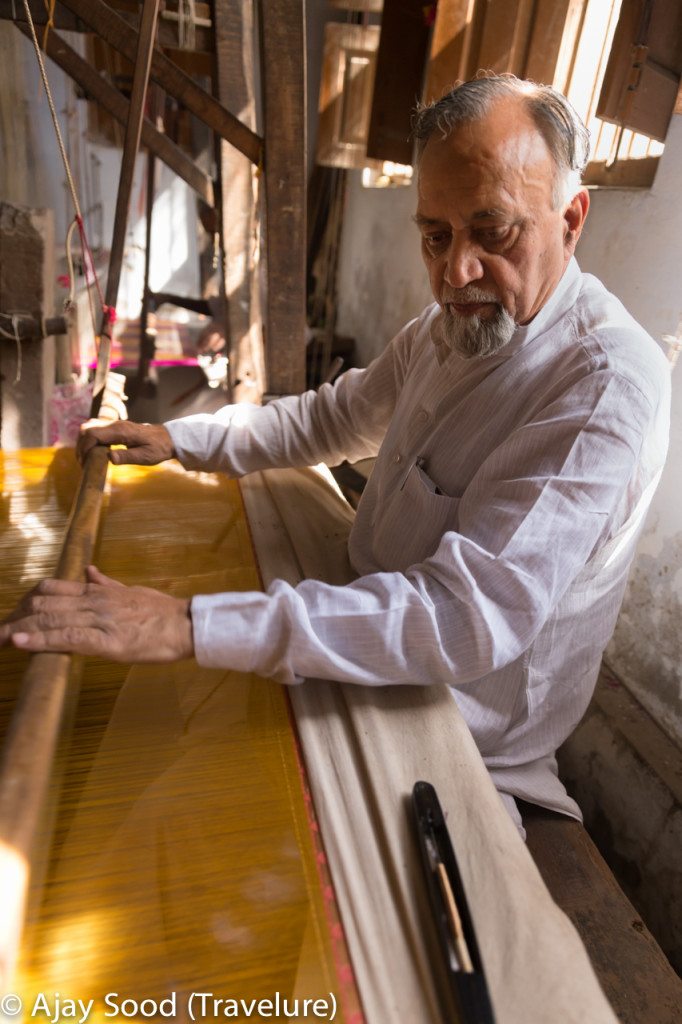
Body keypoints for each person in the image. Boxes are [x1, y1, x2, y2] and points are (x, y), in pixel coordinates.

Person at [1, 75, 670, 828]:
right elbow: (333, 419)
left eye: (494, 231)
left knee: (169, 808)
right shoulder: (447, 327)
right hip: (371, 654)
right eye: (435, 234)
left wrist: (183, 624)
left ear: (571, 219)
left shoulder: (602, 385)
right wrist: (177, 439)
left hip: (454, 735)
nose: (456, 272)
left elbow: (461, 619)